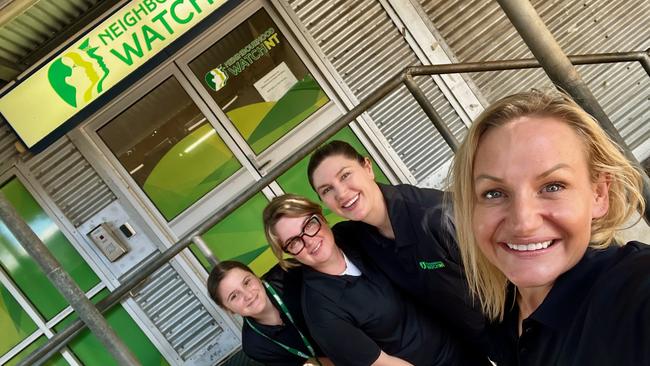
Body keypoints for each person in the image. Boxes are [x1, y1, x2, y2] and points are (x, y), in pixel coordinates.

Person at [450, 89, 650, 365]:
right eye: (494, 193)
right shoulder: (504, 308)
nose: (523, 222)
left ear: (599, 195)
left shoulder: (632, 291)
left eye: (553, 186)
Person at [262, 194, 488, 366]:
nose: (309, 241)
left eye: (309, 225)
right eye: (294, 242)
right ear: (289, 252)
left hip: (466, 345)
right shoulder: (321, 311)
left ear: (321, 217)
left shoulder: (353, 234)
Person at [306, 140, 488, 353]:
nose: (342, 194)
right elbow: (306, 251)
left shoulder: (437, 216)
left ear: (367, 167)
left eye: (345, 175)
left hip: (518, 331)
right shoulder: (356, 236)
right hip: (467, 345)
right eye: (327, 190)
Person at [207, 260, 332, 366]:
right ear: (228, 309)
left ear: (256, 276)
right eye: (234, 296)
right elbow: (308, 362)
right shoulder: (255, 346)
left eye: (247, 282)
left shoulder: (287, 273)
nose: (248, 295)